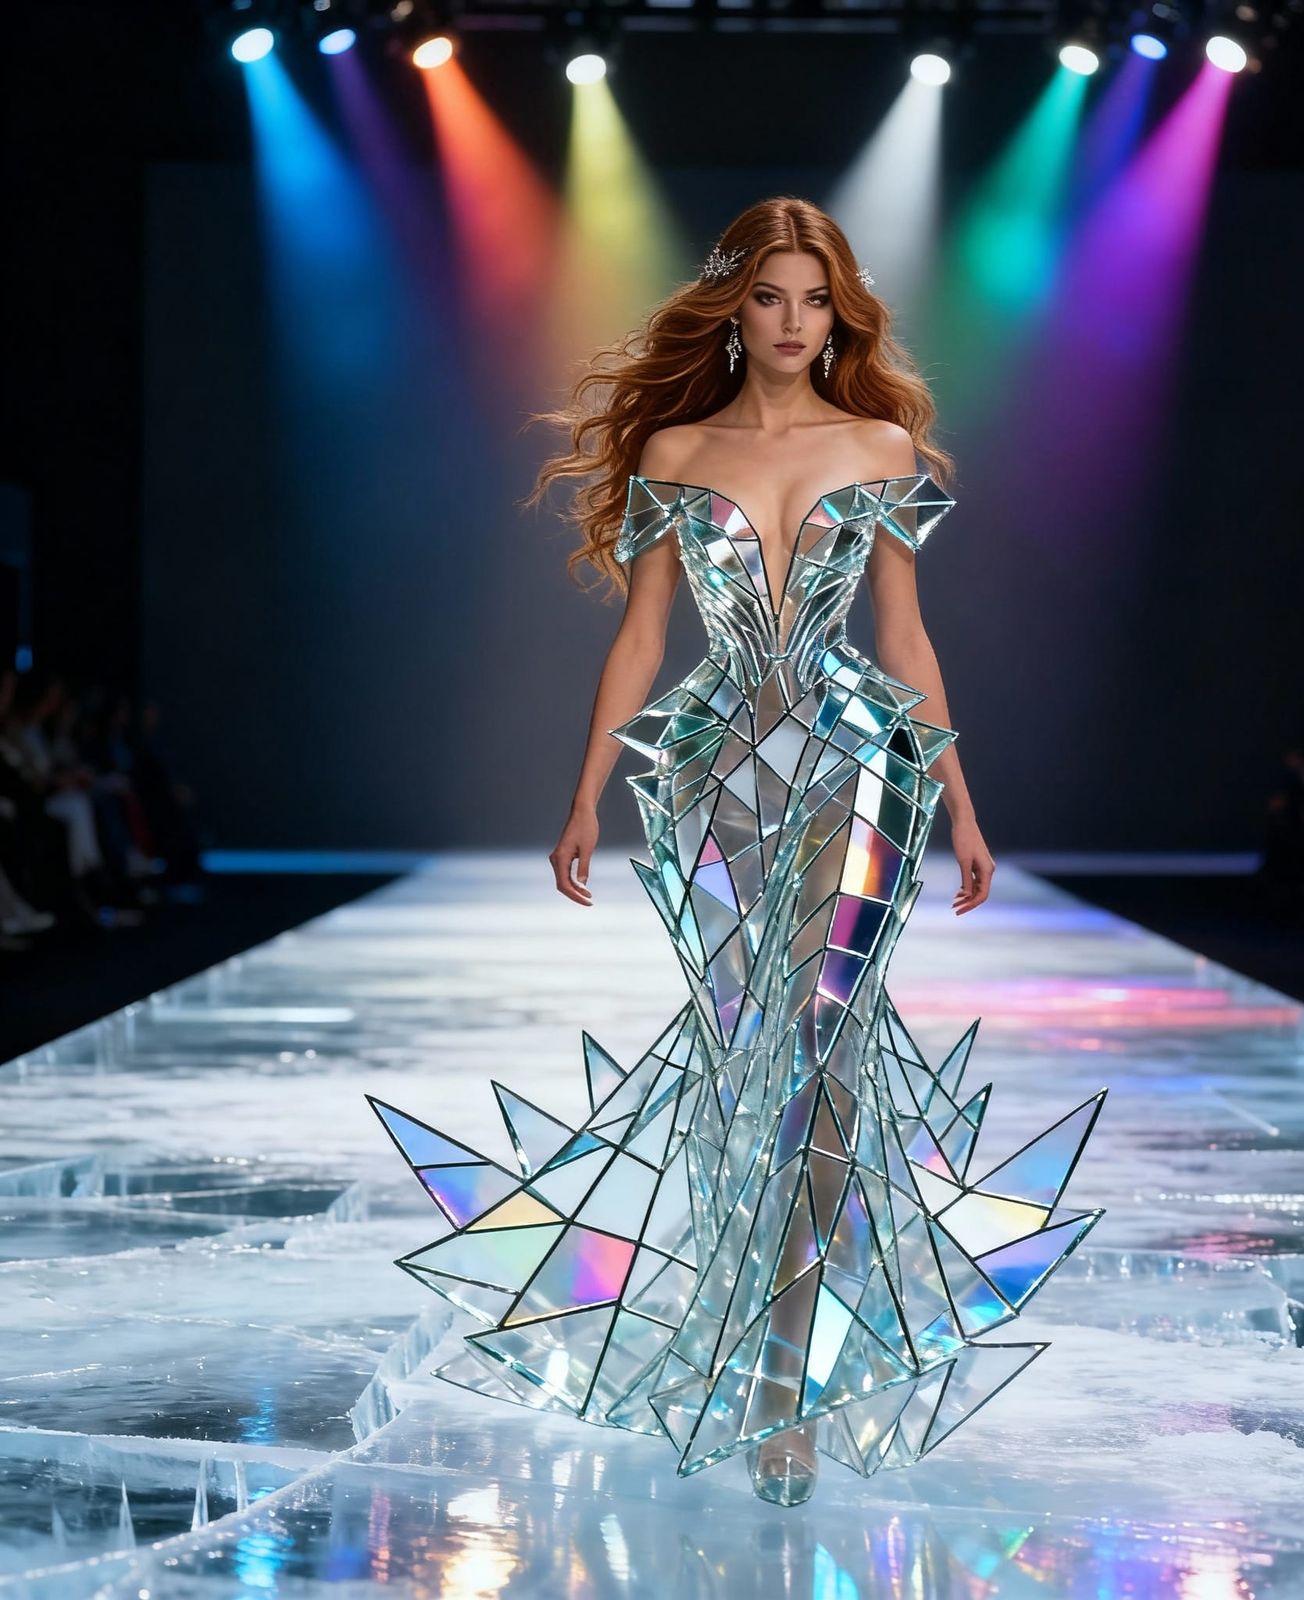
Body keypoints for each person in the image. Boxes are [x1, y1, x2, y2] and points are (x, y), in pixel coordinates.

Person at [369, 198, 1107, 1507]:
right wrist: (587, 789)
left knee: (820, 1063)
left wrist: (962, 800)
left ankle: (785, 1384)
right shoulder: (677, 444)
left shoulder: (880, 444)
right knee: (737, 1068)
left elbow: (905, 636)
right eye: (769, 297)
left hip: (856, 771)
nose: (791, 322)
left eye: (814, 300)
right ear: (733, 305)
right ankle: (732, 1334)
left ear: (841, 312)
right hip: (708, 780)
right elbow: (646, 637)